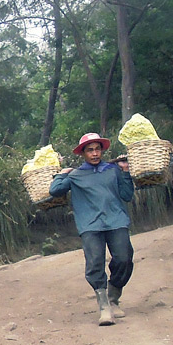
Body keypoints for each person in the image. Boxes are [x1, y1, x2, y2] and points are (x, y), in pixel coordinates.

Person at [49, 133, 135, 326]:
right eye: (90, 150)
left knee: (124, 258)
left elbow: (127, 195)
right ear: (83, 153)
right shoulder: (75, 175)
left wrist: (126, 172)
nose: (95, 153)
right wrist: (63, 173)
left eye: (98, 149)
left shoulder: (113, 170)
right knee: (95, 263)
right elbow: (55, 190)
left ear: (102, 150)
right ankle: (104, 306)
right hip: (90, 225)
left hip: (116, 221)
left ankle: (113, 296)